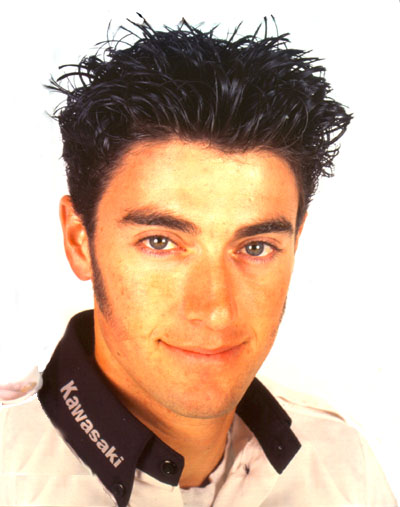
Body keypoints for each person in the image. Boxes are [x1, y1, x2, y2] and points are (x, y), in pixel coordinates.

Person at [0, 17, 396, 507]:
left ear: (296, 243)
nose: (216, 310)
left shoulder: (341, 468)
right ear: (80, 241)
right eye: (160, 242)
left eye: (255, 247)